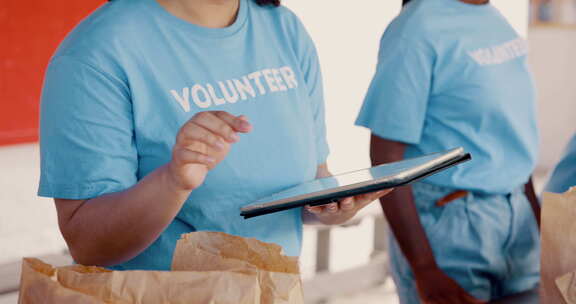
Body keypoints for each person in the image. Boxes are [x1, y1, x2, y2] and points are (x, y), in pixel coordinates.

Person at [38, 0, 391, 270]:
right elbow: (88, 244)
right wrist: (173, 181)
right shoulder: (95, 54)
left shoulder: (283, 28)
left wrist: (333, 207)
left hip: (275, 289)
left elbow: (312, 179)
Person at [355, 0, 540, 303]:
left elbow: (513, 136)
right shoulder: (415, 29)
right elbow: (386, 156)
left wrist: (538, 223)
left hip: (518, 223)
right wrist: (424, 266)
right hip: (449, 230)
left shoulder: (493, 16)